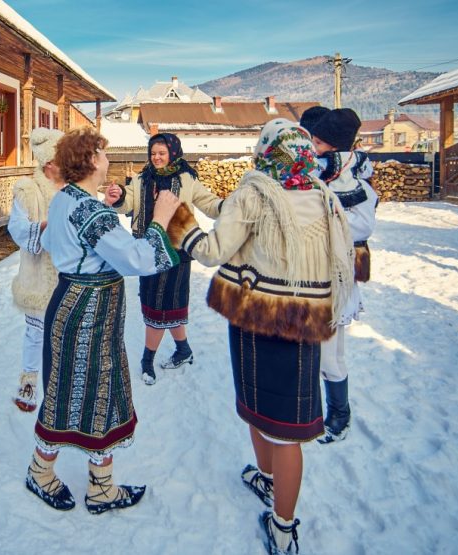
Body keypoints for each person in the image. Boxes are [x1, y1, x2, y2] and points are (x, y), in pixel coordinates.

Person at [166, 119, 354, 554]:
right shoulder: (323, 197)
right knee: (285, 425)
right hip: (304, 324)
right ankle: (275, 496)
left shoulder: (254, 194)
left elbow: (213, 251)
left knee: (260, 412)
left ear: (265, 150)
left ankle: (282, 523)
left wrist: (178, 220)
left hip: (255, 321)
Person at [25, 127, 182, 514]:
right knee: (100, 391)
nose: (108, 160)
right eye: (104, 154)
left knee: (70, 389)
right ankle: (92, 486)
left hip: (71, 302)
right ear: (92, 160)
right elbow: (135, 260)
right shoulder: (89, 209)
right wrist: (161, 218)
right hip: (89, 310)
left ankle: (63, 476)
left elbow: (53, 241)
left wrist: (105, 221)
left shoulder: (66, 199)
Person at [104, 133, 222, 385]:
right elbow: (128, 204)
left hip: (178, 252)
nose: (156, 158)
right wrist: (119, 197)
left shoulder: (187, 179)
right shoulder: (141, 179)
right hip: (148, 250)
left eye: (161, 153)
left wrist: (233, 206)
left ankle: (147, 360)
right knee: (161, 306)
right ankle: (184, 350)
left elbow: (209, 203)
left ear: (173, 153)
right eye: (153, 153)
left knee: (165, 306)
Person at [307, 108, 379, 443]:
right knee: (317, 350)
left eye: (318, 142)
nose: (313, 148)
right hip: (311, 274)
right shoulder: (319, 175)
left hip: (333, 278)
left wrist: (320, 223)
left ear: (334, 146)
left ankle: (339, 413)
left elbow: (362, 225)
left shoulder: (357, 181)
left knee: (328, 353)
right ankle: (322, 409)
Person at [8, 127, 65, 412]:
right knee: (35, 332)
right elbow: (16, 228)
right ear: (48, 162)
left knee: (65, 332)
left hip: (68, 274)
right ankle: (29, 380)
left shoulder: (75, 188)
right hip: (38, 272)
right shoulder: (27, 191)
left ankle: (61, 384)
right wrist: (42, 228)